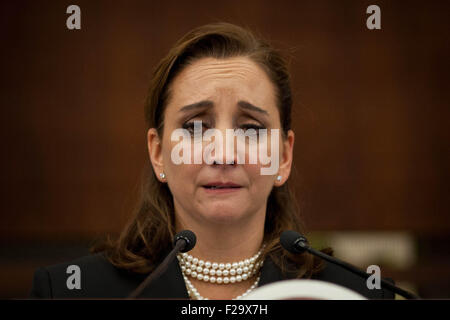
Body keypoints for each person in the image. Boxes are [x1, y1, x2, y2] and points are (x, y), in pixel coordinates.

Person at [29, 22, 394, 299]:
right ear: (158, 153)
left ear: (283, 157)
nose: (223, 154)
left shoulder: (354, 295)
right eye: (195, 126)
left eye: (250, 128)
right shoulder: (69, 292)